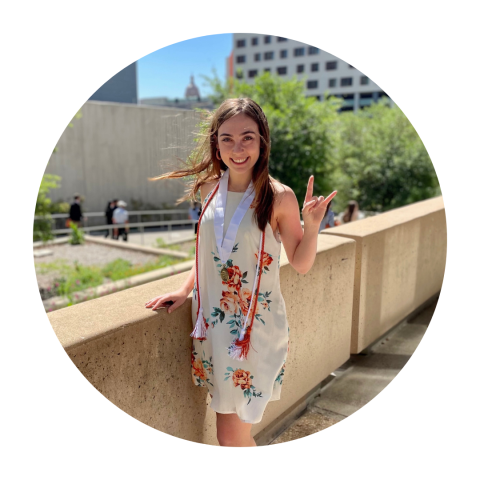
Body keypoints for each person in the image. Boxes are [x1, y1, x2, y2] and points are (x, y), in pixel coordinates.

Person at [145, 98, 337, 447]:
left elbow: (301, 263)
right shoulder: (209, 188)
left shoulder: (279, 197)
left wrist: (311, 226)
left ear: (263, 141)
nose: (238, 148)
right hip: (213, 326)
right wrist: (185, 289)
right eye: (228, 138)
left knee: (231, 437)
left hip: (253, 328)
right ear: (216, 144)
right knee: (229, 434)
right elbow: (210, 253)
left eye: (248, 137)